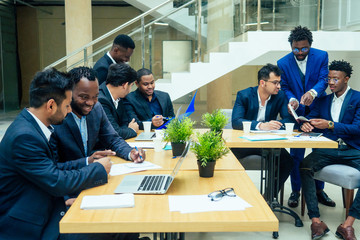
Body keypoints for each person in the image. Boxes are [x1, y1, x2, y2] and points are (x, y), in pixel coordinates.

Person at [0, 68, 110, 240]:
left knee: (109, 223)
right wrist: (97, 169)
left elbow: (52, 169)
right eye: (67, 105)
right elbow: (57, 181)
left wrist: (88, 162)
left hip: (45, 205)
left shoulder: (33, 126)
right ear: (51, 105)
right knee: (102, 229)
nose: (68, 111)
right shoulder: (25, 137)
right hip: (29, 224)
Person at [300, 60, 360, 240]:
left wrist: (331, 124)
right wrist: (306, 125)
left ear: (346, 79)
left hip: (352, 149)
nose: (331, 82)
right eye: (329, 79)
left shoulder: (358, 99)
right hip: (328, 148)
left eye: (336, 79)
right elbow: (310, 118)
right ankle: (316, 222)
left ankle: (348, 224)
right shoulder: (323, 100)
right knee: (304, 166)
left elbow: (358, 128)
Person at [277, 26, 334, 208]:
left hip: (319, 111)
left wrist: (312, 92)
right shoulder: (283, 62)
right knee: (296, 155)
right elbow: (284, 86)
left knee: (319, 152)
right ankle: (295, 191)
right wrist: (293, 99)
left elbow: (323, 79)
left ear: (310, 45)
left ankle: (319, 191)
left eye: (304, 49)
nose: (300, 52)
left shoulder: (321, 56)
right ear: (291, 46)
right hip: (297, 114)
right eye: (296, 49)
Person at [50, 66, 145, 166]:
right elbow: (52, 167)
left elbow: (112, 139)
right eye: (84, 97)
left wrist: (130, 153)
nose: (91, 102)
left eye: (95, 96)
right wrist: (88, 162)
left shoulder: (97, 108)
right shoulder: (56, 117)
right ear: (69, 93)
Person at [231, 63, 294, 193]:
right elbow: (236, 122)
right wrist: (261, 125)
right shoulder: (244, 95)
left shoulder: (280, 96)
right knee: (225, 158)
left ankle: (269, 198)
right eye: (275, 83)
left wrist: (276, 124)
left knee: (287, 162)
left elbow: (288, 119)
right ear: (262, 83)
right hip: (244, 143)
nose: (279, 86)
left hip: (267, 143)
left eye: (279, 82)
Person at [99, 63, 139, 140]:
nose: (130, 89)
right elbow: (114, 133)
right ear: (125, 85)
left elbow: (124, 123)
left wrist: (125, 130)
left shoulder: (119, 96)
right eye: (131, 85)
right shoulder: (101, 100)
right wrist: (132, 130)